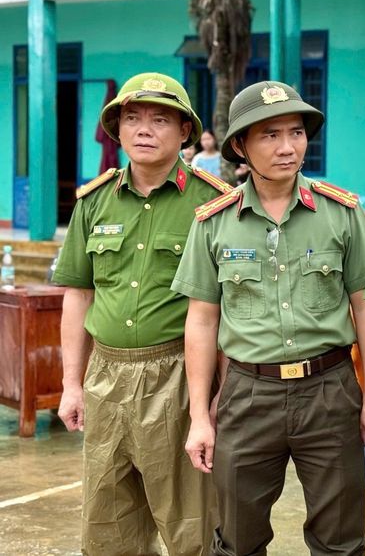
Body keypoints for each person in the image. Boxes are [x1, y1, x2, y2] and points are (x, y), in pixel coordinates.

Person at [173, 81, 365, 556]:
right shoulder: (214, 221)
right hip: (248, 396)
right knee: (237, 539)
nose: (288, 147)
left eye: (296, 132)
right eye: (269, 135)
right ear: (240, 147)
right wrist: (200, 417)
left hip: (330, 392)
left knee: (341, 541)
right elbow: (202, 323)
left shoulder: (342, 212)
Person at [53, 73, 232, 555]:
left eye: (159, 119)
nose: (144, 129)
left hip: (178, 375)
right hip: (105, 375)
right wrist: (72, 382)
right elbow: (77, 294)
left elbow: (228, 310)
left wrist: (217, 399)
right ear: (118, 129)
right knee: (107, 523)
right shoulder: (94, 201)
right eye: (132, 118)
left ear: (184, 132)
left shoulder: (213, 202)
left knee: (190, 523)